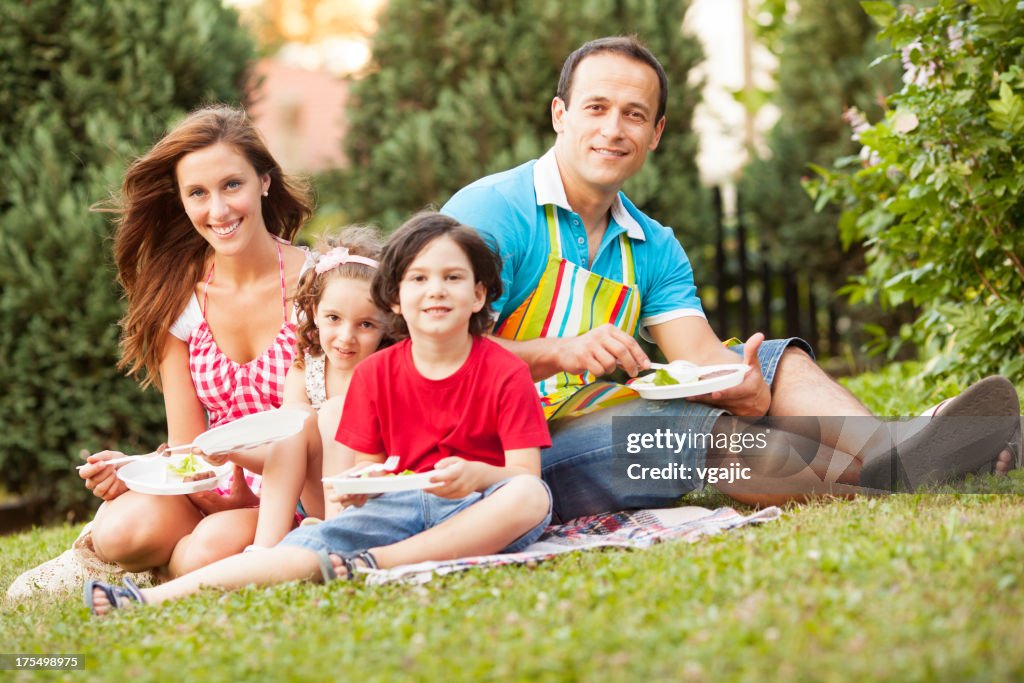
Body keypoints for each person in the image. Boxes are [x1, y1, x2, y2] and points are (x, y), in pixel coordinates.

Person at [441, 36, 1020, 522]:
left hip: (597, 411)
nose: (614, 129)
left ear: (656, 132)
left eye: (634, 114)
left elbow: (699, 358)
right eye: (596, 108)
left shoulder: (652, 243)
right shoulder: (494, 213)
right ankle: (906, 463)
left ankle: (902, 455)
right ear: (559, 115)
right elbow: (432, 359)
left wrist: (740, 385)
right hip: (502, 455)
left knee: (773, 361)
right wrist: (560, 352)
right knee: (679, 429)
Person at [85, 211, 553, 616]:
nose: (435, 291)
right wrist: (360, 491)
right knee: (308, 546)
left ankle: (376, 563)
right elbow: (363, 470)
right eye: (418, 278)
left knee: (531, 496)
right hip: (395, 511)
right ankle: (144, 601)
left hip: (474, 508)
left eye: (452, 278)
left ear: (478, 295)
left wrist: (474, 475)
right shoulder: (379, 375)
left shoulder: (504, 372)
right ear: (396, 298)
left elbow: (522, 473)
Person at [77, 105, 315, 578]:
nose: (218, 210)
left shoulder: (318, 285)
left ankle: (179, 563)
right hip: (215, 484)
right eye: (198, 193)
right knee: (120, 532)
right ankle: (145, 554)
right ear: (182, 202)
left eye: (232, 185)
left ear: (264, 180)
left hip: (298, 490)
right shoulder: (180, 297)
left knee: (202, 551)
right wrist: (138, 468)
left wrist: (244, 492)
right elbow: (187, 445)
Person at [247, 226, 389, 549]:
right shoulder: (306, 369)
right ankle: (265, 548)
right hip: (312, 500)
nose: (346, 337)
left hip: (369, 498)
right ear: (313, 311)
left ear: (388, 325)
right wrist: (229, 453)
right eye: (334, 318)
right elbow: (282, 454)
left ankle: (339, 537)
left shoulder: (389, 370)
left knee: (339, 410)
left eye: (366, 324)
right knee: (296, 419)